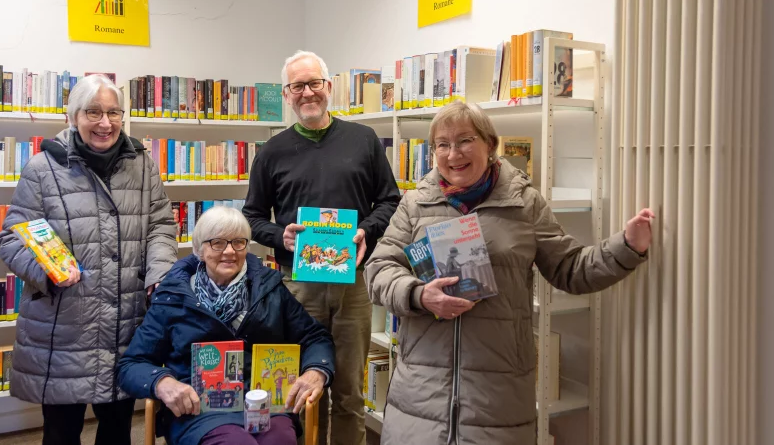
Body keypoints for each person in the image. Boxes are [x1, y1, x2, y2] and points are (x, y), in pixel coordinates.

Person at [364, 101, 655, 445]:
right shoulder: (415, 204)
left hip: (498, 398)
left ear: (490, 144)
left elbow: (570, 269)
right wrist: (418, 294)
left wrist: (627, 247)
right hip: (420, 395)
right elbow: (379, 269)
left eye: (464, 140)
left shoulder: (525, 204)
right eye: (442, 144)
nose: (453, 153)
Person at [0, 74, 178, 445]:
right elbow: (12, 238)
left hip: (126, 325)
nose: (105, 123)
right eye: (93, 112)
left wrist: (159, 274)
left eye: (114, 112)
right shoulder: (42, 168)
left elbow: (161, 225)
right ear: (73, 116)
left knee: (117, 431)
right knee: (61, 433)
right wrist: (46, 273)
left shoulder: (143, 165)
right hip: (63, 329)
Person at [243, 50, 400, 445]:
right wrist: (282, 237)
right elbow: (253, 216)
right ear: (287, 94)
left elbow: (390, 201)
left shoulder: (363, 140)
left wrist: (366, 229)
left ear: (328, 87)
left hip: (353, 284)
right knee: (302, 391)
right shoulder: (271, 151)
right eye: (298, 86)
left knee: (349, 391)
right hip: (297, 287)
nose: (308, 92)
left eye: (314, 83)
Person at [117, 206, 335, 445]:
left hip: (264, 403)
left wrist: (317, 371)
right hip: (199, 412)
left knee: (280, 440)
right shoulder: (174, 296)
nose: (230, 251)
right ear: (200, 249)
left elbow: (315, 337)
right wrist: (161, 382)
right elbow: (131, 365)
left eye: (238, 242)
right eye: (217, 243)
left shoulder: (269, 289)